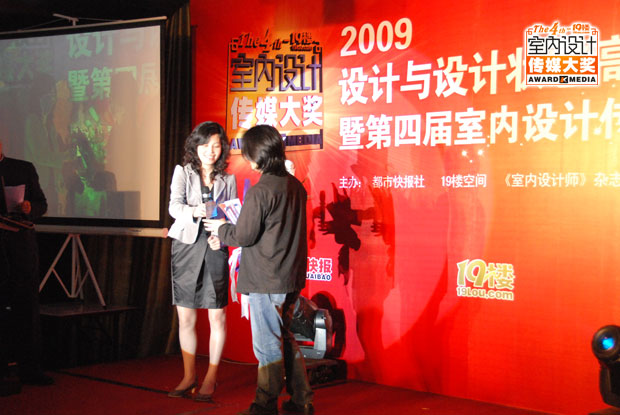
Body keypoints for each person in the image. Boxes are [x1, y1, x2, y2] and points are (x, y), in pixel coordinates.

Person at [205, 125, 314, 415]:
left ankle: (265, 406)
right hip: (290, 277)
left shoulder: (261, 191)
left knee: (267, 345)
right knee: (285, 340)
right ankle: (302, 401)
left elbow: (244, 235)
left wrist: (222, 228)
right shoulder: (295, 186)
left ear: (258, 156)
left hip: (267, 278)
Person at [167, 121, 237, 401]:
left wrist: (223, 238)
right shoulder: (183, 172)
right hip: (186, 246)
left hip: (214, 246)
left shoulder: (228, 179)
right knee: (186, 316)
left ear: (223, 148)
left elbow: (233, 216)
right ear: (195, 146)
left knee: (217, 314)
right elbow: (174, 207)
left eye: (216, 145)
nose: (211, 150)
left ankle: (211, 376)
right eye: (205, 145)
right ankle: (188, 376)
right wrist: (195, 211)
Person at [0, 138, 53, 392]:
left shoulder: (22, 168)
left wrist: (29, 208)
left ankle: (30, 369)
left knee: (27, 307)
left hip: (21, 245)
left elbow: (42, 204)